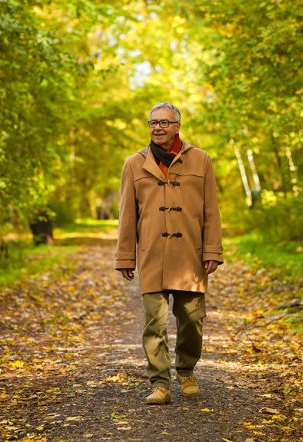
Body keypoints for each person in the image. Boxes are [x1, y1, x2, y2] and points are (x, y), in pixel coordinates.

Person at [115, 102, 223, 405]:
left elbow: (211, 211)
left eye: (164, 122)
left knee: (192, 321)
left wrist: (212, 249)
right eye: (152, 122)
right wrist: (126, 257)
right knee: (154, 323)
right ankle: (160, 383)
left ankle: (186, 371)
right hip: (151, 254)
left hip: (190, 255)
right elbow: (127, 216)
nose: (157, 127)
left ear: (177, 126)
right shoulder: (134, 164)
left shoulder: (201, 161)